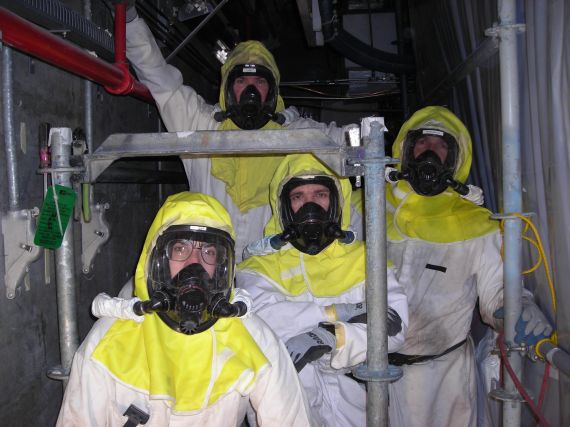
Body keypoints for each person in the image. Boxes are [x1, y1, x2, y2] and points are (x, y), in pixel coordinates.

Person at [124, 4, 361, 260]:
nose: (251, 91)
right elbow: (161, 80)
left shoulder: (295, 133)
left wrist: (371, 139)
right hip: (210, 270)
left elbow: (346, 141)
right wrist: (129, 22)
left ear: (272, 91)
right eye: (241, 81)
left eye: (259, 82)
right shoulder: (200, 126)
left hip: (271, 275)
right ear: (228, 88)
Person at [56, 192, 314, 426]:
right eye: (180, 248)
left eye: (209, 252)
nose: (195, 264)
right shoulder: (108, 340)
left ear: (222, 266)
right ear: (156, 259)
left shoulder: (253, 338)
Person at [382, 105, 552, 427]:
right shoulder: (369, 209)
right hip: (369, 373)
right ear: (405, 148)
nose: (430, 153)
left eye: (442, 145)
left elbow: (498, 290)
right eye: (422, 143)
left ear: (455, 159)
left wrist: (519, 309)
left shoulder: (477, 223)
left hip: (443, 381)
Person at [236, 153, 408, 426]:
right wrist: (339, 313)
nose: (310, 207)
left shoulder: (367, 259)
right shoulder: (256, 267)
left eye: (320, 194)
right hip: (288, 396)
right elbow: (265, 325)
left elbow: (395, 328)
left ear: (337, 201)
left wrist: (333, 337)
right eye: (298, 197)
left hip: (358, 398)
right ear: (283, 207)